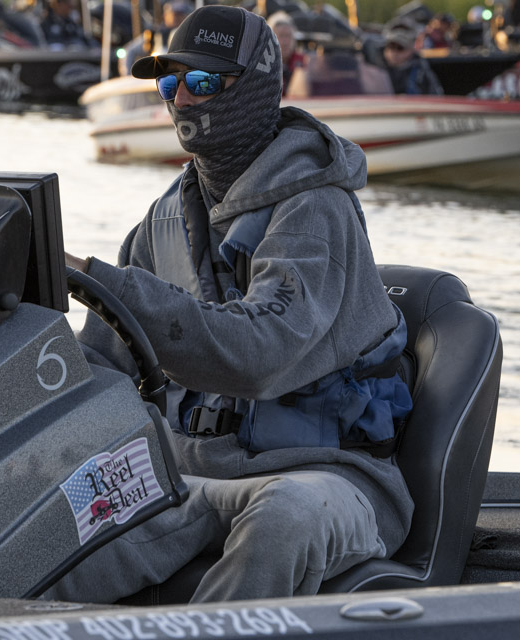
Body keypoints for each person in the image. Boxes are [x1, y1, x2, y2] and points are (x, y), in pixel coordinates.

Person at [45, 4, 414, 604]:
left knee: (284, 516)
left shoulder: (317, 208)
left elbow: (257, 354)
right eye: (171, 84)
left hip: (326, 474)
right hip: (192, 473)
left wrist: (98, 277)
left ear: (256, 87)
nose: (183, 100)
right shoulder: (162, 221)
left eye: (203, 81)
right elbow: (103, 365)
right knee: (48, 521)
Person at [120, 0, 193, 76]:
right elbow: (129, 52)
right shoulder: (154, 35)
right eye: (174, 14)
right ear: (165, 15)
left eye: (180, 14)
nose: (176, 18)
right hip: (157, 77)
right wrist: (128, 76)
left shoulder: (192, 36)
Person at [380, 21, 443, 95]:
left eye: (400, 48)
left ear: (410, 50)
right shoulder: (376, 68)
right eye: (391, 47)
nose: (394, 52)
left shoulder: (421, 71)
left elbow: (435, 94)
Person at [266, 11, 307, 96]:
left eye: (288, 36)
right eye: (281, 36)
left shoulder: (304, 61)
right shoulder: (263, 64)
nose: (285, 42)